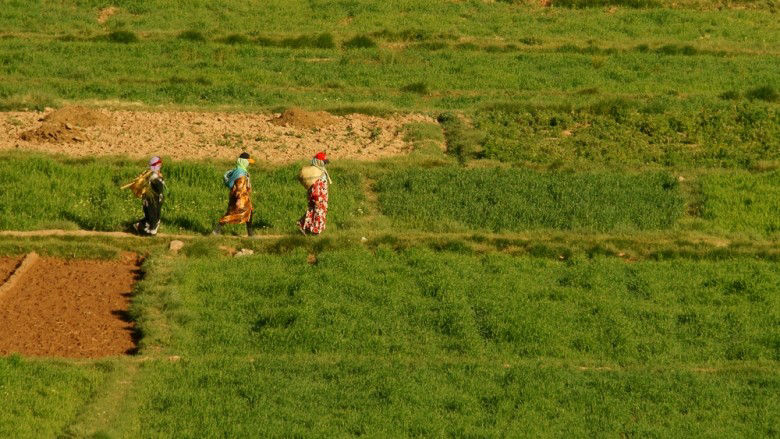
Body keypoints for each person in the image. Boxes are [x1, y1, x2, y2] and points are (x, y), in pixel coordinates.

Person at [213, 152, 255, 236]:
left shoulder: (238, 171)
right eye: (248, 161)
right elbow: (240, 188)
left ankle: (251, 234)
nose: (248, 164)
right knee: (234, 214)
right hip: (240, 198)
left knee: (247, 213)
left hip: (238, 197)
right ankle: (216, 231)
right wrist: (240, 200)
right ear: (243, 161)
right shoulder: (241, 173)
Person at [124, 156, 166, 236]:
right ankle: (139, 228)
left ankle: (142, 227)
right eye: (160, 165)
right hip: (151, 200)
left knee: (156, 218)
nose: (160, 166)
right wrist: (159, 178)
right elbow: (159, 188)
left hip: (156, 200)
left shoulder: (155, 175)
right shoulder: (152, 176)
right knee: (152, 220)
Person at [298, 151, 331, 235]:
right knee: (318, 212)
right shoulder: (316, 173)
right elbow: (316, 187)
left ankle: (304, 226)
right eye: (324, 162)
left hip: (321, 196)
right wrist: (316, 198)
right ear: (319, 162)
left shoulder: (320, 170)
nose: (325, 164)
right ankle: (315, 231)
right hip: (317, 196)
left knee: (314, 211)